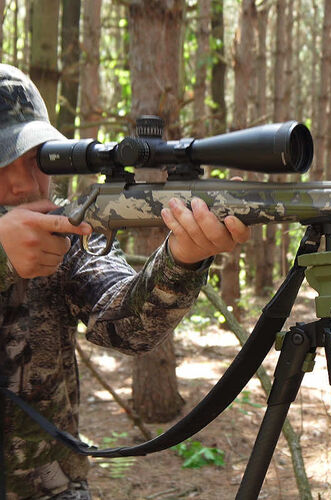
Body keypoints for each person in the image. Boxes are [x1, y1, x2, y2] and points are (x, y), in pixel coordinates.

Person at [0, 64, 250, 499]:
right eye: (1, 163)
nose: (23, 184)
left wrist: (182, 258)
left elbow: (126, 326)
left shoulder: (65, 231)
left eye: (35, 159)